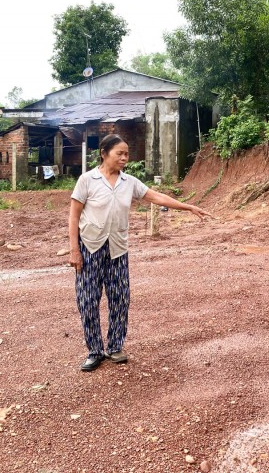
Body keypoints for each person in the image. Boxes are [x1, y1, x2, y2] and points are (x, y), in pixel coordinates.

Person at [68, 134, 212, 372]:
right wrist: (74, 250)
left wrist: (187, 206)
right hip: (90, 247)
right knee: (88, 301)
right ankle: (94, 351)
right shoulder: (87, 180)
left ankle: (115, 347)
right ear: (104, 153)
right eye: (119, 154)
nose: (124, 158)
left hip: (117, 249)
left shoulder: (130, 182)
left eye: (126, 154)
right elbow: (74, 216)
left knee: (120, 299)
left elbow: (156, 197)